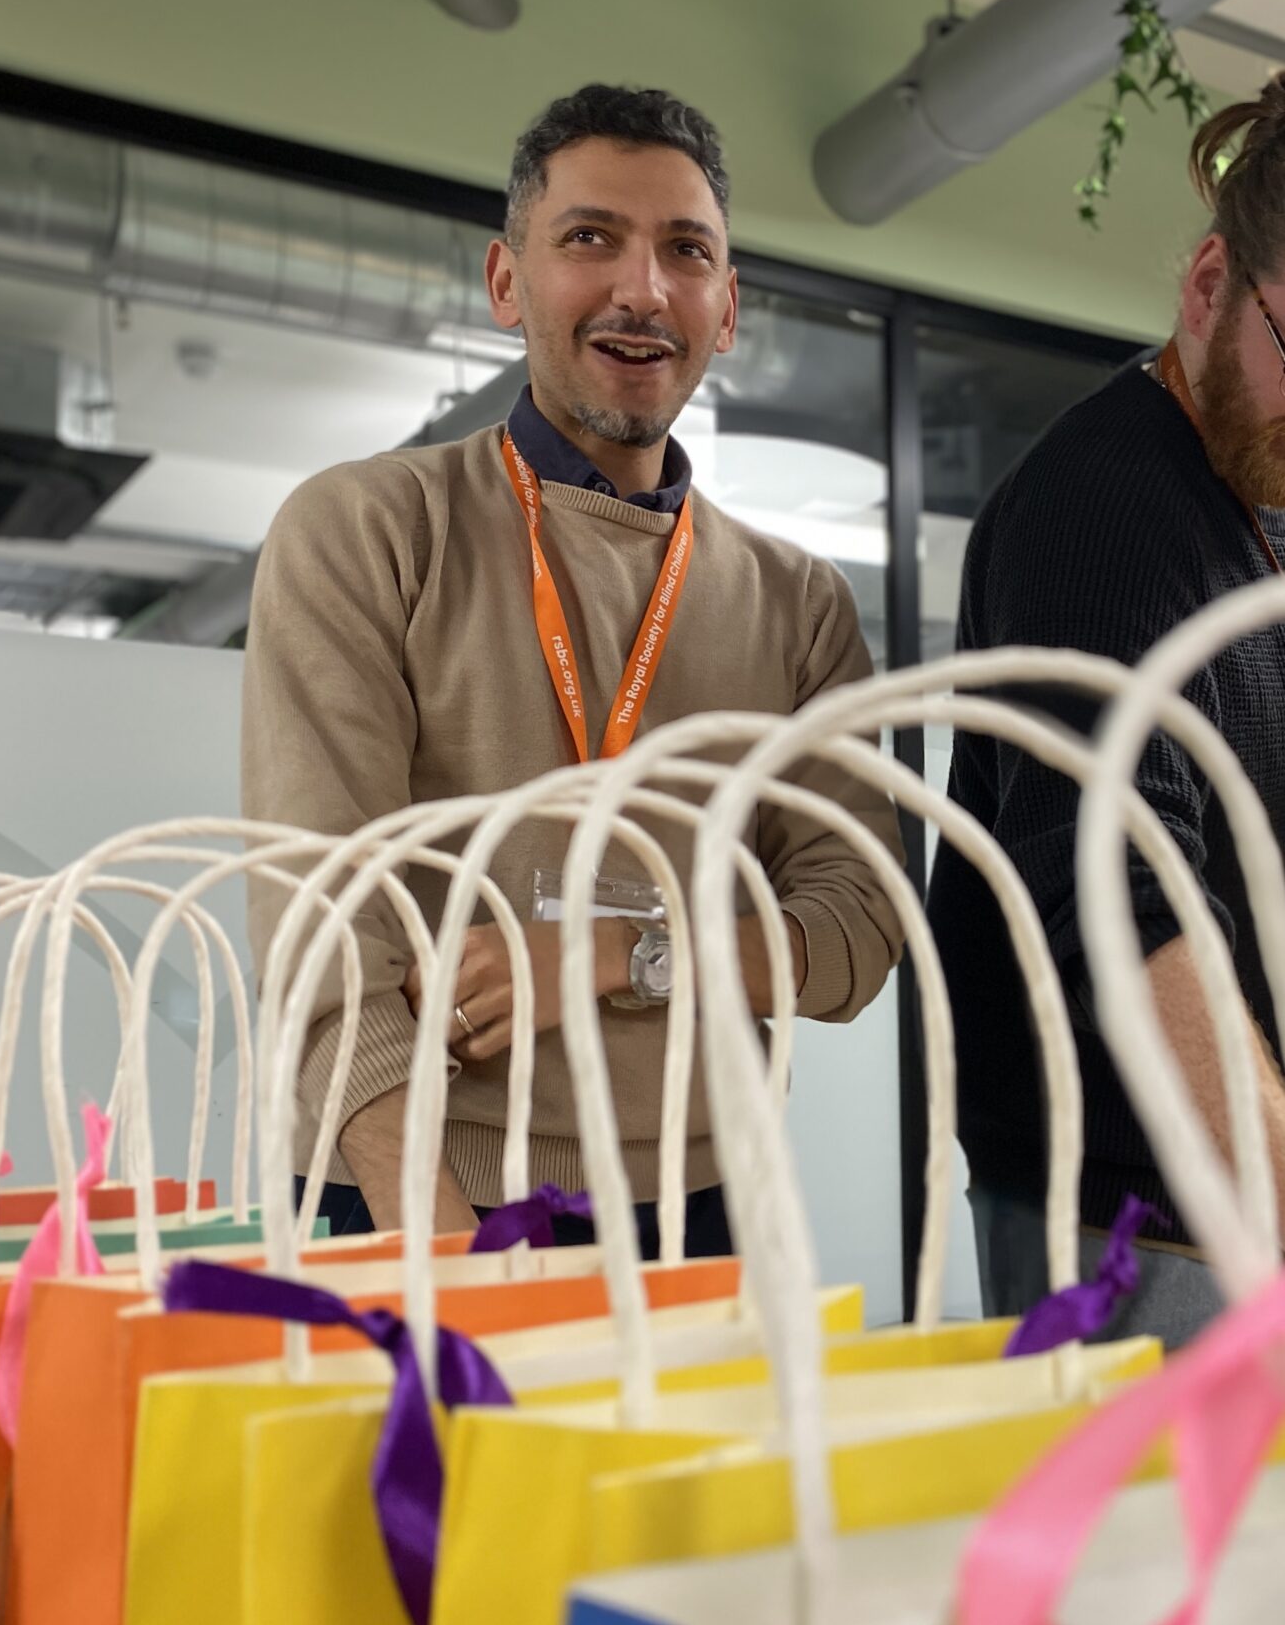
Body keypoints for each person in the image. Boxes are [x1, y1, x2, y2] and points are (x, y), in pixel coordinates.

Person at [242, 83, 904, 1254]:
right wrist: (446, 1257)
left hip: (704, 1204)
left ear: (728, 306)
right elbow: (324, 933)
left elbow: (855, 936)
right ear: (508, 282)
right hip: (413, 1194)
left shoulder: (798, 604)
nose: (642, 288)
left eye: (684, 251)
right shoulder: (369, 529)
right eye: (590, 238)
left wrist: (614, 956)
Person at [929, 63, 1285, 1345]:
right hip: (1138, 1217)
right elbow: (1126, 903)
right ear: (1209, 285)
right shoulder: (1095, 513)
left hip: (1261, 1169)